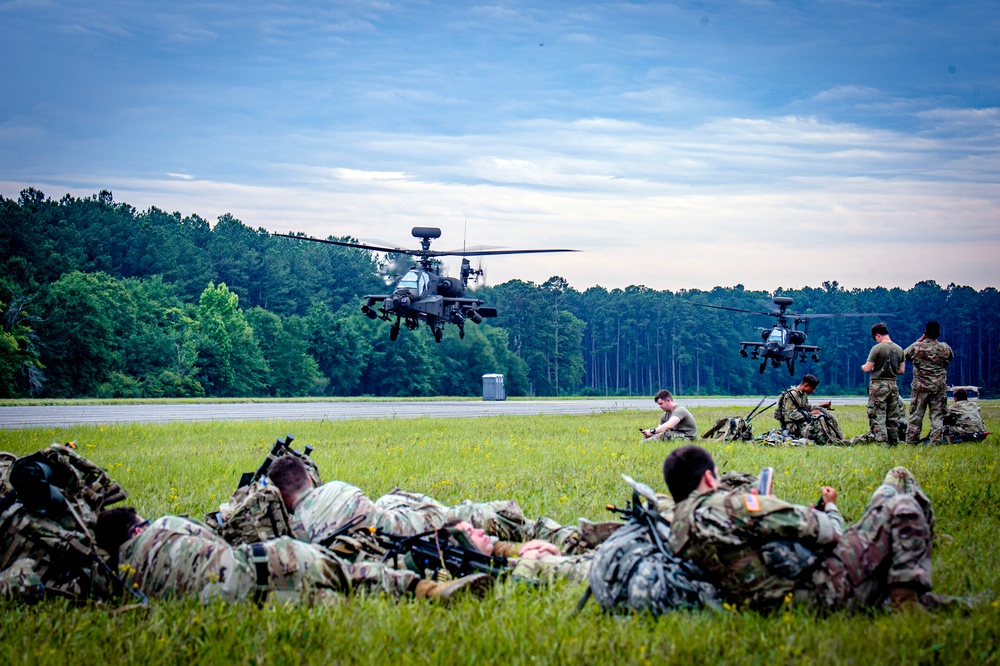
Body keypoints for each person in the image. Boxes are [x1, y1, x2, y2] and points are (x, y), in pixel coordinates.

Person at [664, 444, 941, 613]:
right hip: (818, 590)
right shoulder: (732, 506)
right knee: (898, 498)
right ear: (710, 478)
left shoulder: (677, 523)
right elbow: (830, 533)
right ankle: (906, 604)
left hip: (766, 600)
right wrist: (829, 508)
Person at [95, 507, 491, 604]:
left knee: (322, 598)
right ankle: (427, 589)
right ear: (137, 523)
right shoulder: (165, 526)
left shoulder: (125, 577)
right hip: (268, 560)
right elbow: (212, 539)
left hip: (241, 598)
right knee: (351, 574)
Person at [266, 457, 587, 555]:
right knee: (507, 521)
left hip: (393, 548)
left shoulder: (296, 531)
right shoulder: (336, 488)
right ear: (309, 477)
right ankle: (573, 539)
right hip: (423, 526)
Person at [904, 321, 954, 444]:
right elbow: (950, 358)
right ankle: (935, 441)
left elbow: (903, 355)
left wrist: (919, 340)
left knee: (916, 415)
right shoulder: (945, 348)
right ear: (939, 333)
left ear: (925, 332)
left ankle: (912, 441)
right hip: (938, 387)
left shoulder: (917, 347)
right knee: (937, 416)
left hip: (920, 388)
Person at [862, 322, 905, 445]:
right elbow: (901, 370)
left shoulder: (877, 348)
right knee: (892, 417)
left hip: (878, 386)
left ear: (877, 335)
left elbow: (867, 368)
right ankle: (894, 442)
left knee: (878, 416)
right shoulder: (899, 349)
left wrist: (863, 366)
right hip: (893, 385)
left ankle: (882, 444)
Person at [773, 374, 846, 445]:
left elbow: (806, 407)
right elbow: (792, 414)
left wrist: (821, 406)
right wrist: (811, 414)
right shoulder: (793, 395)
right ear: (806, 385)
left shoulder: (803, 395)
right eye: (813, 388)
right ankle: (827, 439)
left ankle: (839, 437)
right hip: (792, 427)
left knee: (826, 415)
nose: (813, 391)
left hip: (800, 423)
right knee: (819, 419)